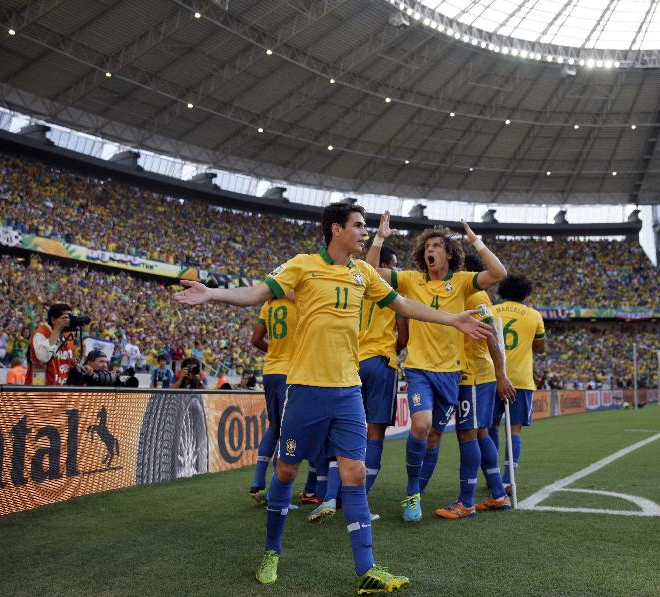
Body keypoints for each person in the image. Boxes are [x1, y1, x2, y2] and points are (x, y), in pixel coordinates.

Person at [173, 201, 492, 593]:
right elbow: (256, 292)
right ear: (336, 229)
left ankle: (367, 568)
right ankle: (272, 551)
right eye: (358, 226)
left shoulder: (363, 272)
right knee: (287, 471)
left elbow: (402, 304)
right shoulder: (303, 265)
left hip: (348, 392)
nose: (364, 232)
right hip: (305, 390)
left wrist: (453, 318)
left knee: (354, 474)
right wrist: (213, 294)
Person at [367, 210, 507, 523]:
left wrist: (476, 241)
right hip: (418, 369)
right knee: (420, 425)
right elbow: (369, 271)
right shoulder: (410, 280)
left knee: (433, 437)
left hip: (451, 373)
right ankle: (413, 490)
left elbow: (498, 273)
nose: (431, 250)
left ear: (449, 253)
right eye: (427, 246)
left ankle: (415, 492)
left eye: (437, 246)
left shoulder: (462, 283)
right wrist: (379, 237)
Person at [308, 245, 409, 522]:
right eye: (394, 265)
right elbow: (404, 337)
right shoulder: (393, 294)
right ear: (386, 266)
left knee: (340, 430)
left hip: (351, 363)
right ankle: (359, 501)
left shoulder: (355, 286)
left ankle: (328, 496)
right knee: (375, 432)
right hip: (380, 362)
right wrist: (391, 347)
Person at [435, 255, 515, 520]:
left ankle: (466, 502)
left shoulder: (474, 295)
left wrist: (501, 374)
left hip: (474, 374)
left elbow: (491, 334)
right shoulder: (469, 294)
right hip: (474, 372)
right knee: (480, 433)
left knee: (468, 434)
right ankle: (497, 494)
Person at [489, 274, 546, 497]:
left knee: (490, 427)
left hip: (493, 377)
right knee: (514, 430)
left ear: (502, 291)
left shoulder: (492, 311)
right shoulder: (534, 316)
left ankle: (492, 476)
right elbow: (540, 348)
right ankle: (508, 479)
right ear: (526, 293)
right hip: (521, 380)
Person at [248, 294, 299, 504]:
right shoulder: (302, 302)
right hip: (292, 372)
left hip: (270, 371)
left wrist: (276, 352)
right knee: (288, 430)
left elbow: (256, 340)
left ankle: (258, 478)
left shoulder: (269, 304)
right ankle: (275, 493)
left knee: (273, 426)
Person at [24, 303, 77, 385]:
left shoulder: (68, 335)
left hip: (60, 391)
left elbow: (68, 360)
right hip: (41, 390)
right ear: (53, 320)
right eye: (65, 317)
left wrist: (77, 366)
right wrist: (57, 330)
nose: (68, 320)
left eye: (70, 317)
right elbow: (43, 357)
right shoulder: (40, 333)